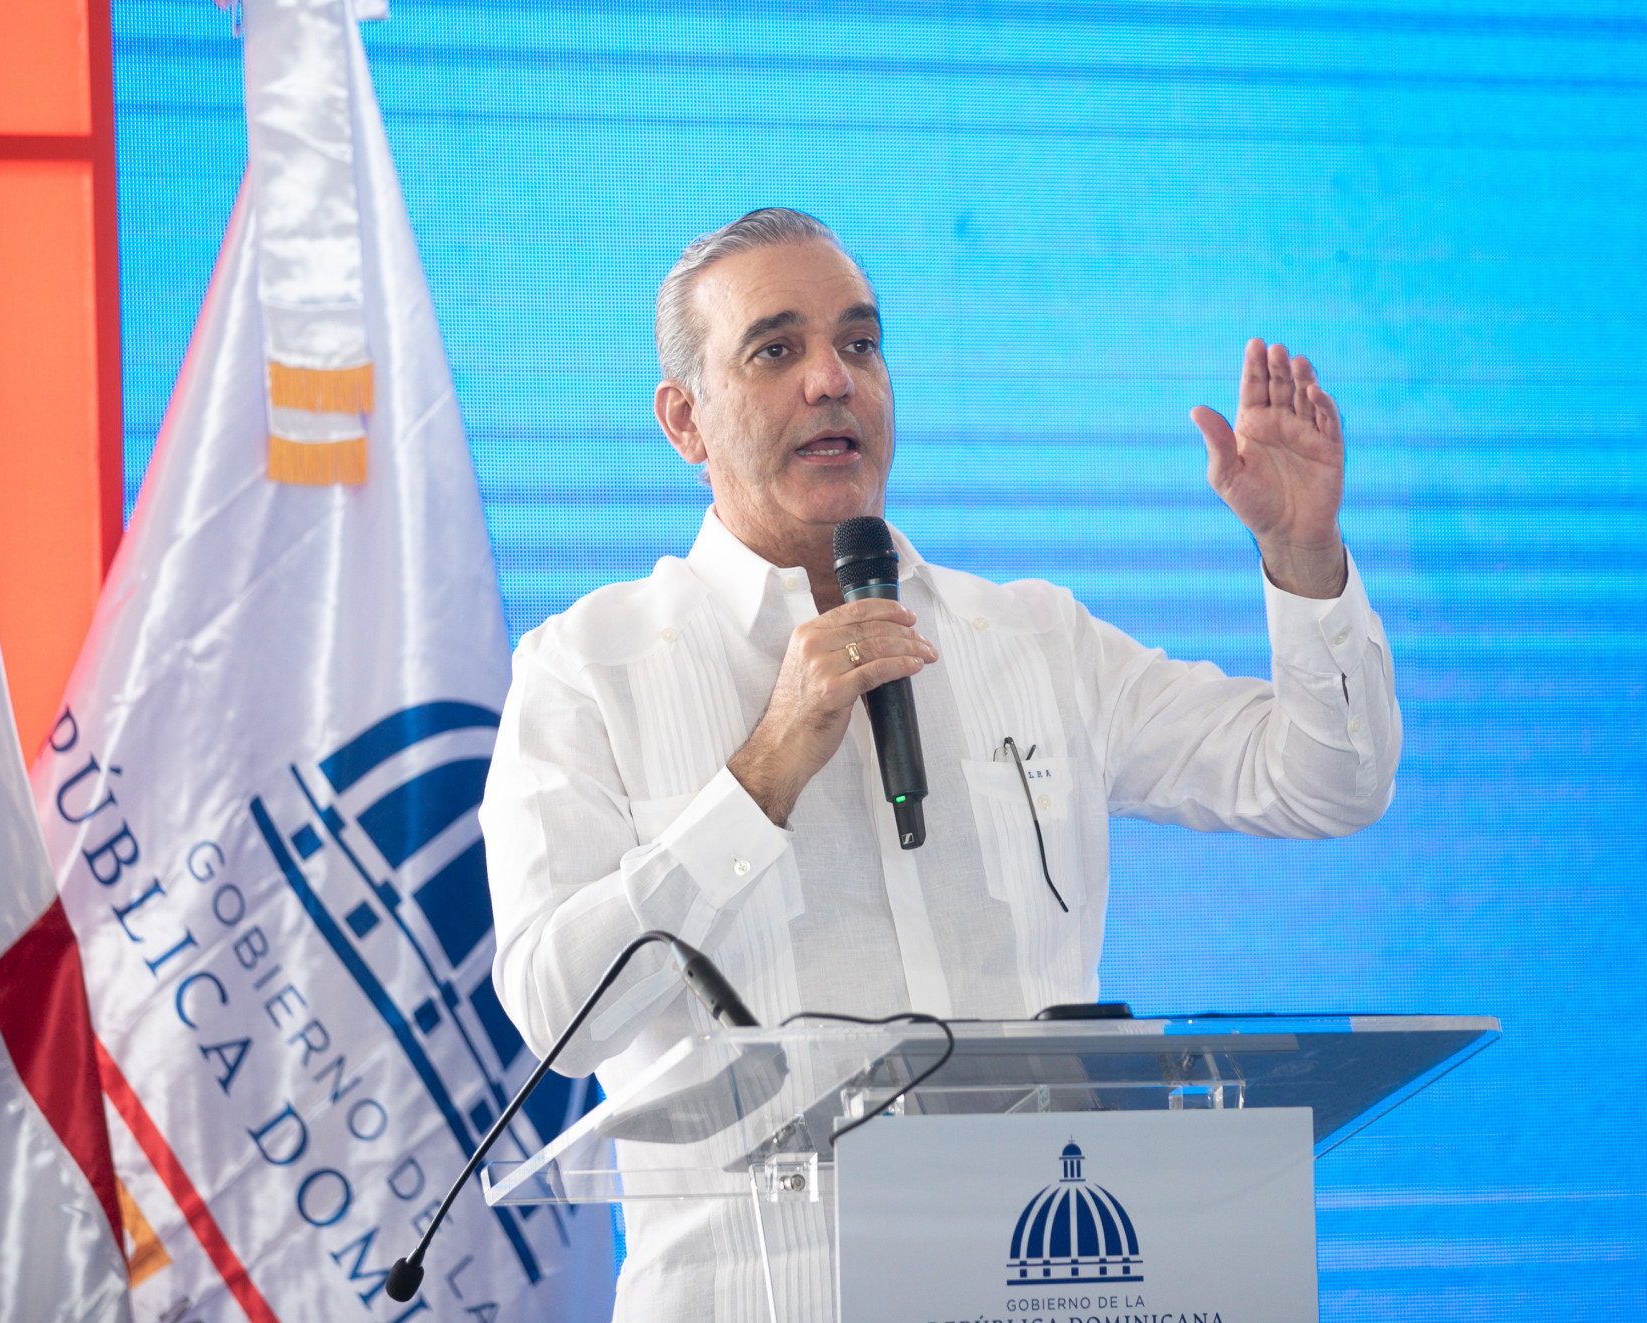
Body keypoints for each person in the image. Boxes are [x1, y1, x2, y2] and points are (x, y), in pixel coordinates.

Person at [480, 207, 1401, 1320]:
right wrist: (762, 775)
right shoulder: (589, 670)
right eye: (775, 350)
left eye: (859, 343)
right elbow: (560, 1020)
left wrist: (1302, 555)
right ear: (686, 420)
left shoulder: (1032, 639)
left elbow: (1325, 780)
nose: (833, 379)